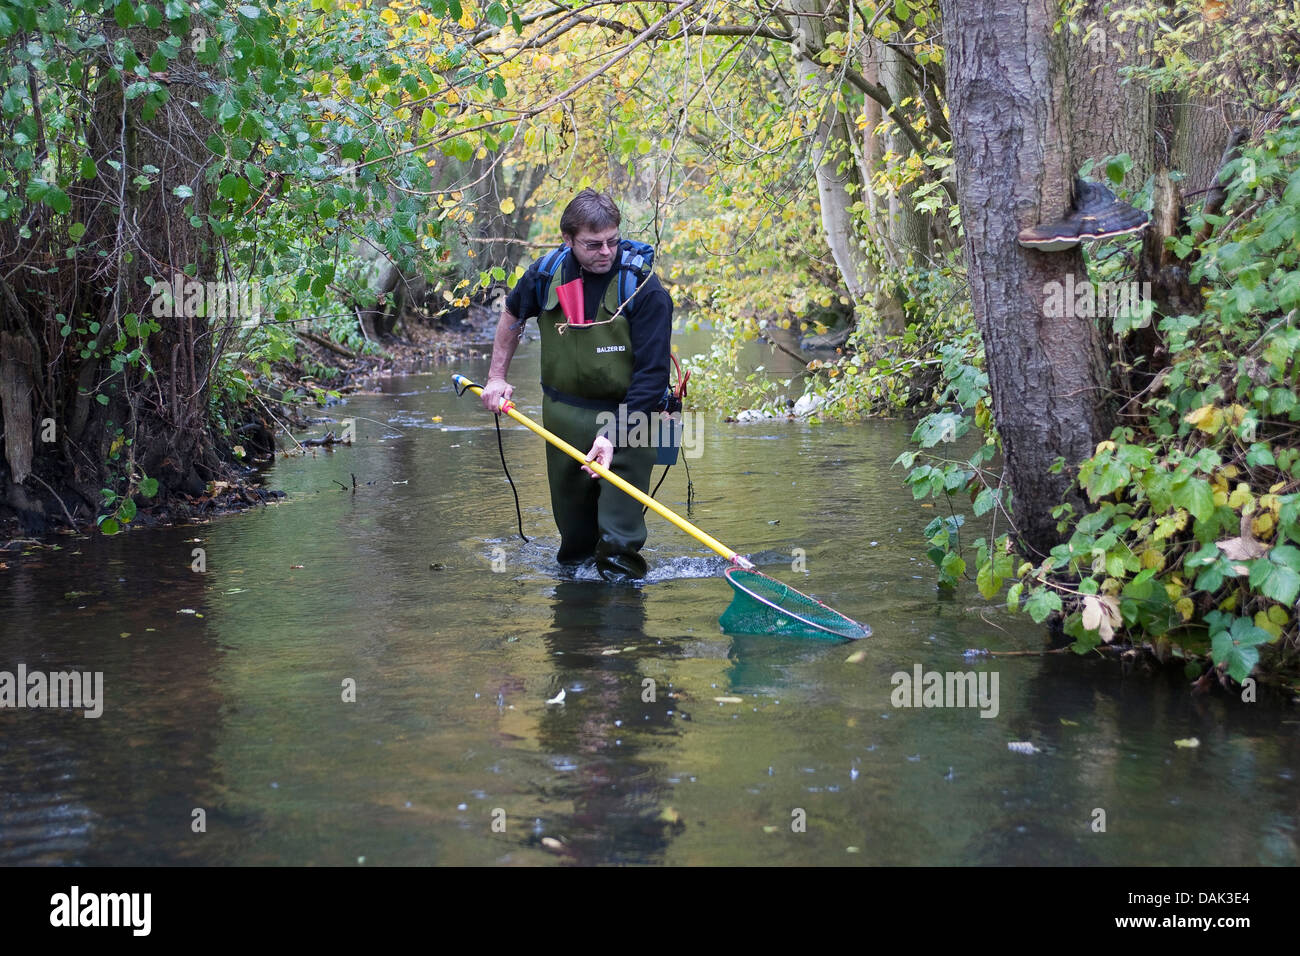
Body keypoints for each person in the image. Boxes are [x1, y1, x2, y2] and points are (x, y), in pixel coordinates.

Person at [480, 189, 673, 581]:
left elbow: (653, 378)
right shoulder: (545, 273)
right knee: (574, 549)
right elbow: (512, 315)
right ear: (568, 240)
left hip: (631, 419)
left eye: (613, 241)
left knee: (619, 545)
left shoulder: (644, 289)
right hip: (563, 418)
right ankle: (577, 633)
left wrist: (613, 434)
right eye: (594, 244)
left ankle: (622, 629)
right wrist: (496, 377)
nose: (606, 251)